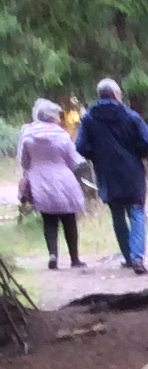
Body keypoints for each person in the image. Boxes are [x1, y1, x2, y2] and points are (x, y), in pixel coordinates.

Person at [75, 77, 148, 274]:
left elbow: (80, 146)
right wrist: (136, 153)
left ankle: (128, 257)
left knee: (117, 214)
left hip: (107, 172)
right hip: (131, 171)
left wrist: (97, 156)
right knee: (136, 212)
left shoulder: (89, 118)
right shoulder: (130, 116)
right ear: (115, 94)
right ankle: (138, 258)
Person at [17, 100, 85, 268]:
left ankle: (53, 255)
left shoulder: (28, 135)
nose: (59, 118)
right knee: (69, 219)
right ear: (52, 117)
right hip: (63, 179)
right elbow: (72, 159)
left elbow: (24, 162)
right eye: (57, 115)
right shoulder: (61, 135)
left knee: (49, 220)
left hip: (40, 180)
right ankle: (74, 259)